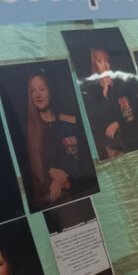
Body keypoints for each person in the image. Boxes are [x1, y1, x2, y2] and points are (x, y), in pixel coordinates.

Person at [82, 45, 138, 160]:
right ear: (94, 65)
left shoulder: (123, 84)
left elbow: (136, 109)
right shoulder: (92, 92)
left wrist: (118, 122)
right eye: (100, 62)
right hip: (111, 146)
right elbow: (94, 121)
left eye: (107, 61)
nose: (105, 66)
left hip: (132, 140)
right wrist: (104, 93)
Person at [26, 72, 82, 207]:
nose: (37, 95)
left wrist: (62, 178)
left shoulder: (69, 122)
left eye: (42, 89)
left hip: (76, 190)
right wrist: (50, 172)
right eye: (33, 90)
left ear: (50, 92)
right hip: (48, 200)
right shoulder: (28, 131)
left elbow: (83, 161)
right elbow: (30, 171)